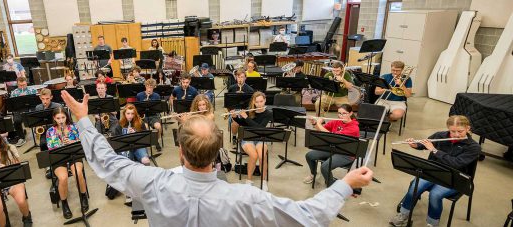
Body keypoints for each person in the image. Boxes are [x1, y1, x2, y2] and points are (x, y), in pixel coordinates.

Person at [59, 90, 374, 227]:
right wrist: (345, 183)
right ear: (217, 153)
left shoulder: (152, 182)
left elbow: (107, 163)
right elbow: (308, 216)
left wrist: (84, 120)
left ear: (180, 152)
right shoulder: (246, 197)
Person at [389, 115, 480, 227]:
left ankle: (432, 224)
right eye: (452, 131)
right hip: (433, 172)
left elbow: (456, 163)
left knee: (435, 194)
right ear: (448, 129)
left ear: (468, 128)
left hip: (456, 178)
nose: (456, 135)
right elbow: (423, 145)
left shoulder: (474, 147)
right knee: (415, 186)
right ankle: (403, 215)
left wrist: (434, 150)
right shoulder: (440, 135)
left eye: (460, 131)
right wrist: (415, 145)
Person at [45, 108, 89, 219]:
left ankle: (83, 196)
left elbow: (82, 141)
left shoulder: (74, 127)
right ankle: (64, 203)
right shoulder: (50, 131)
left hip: (74, 154)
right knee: (63, 178)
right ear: (54, 118)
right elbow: (50, 148)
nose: (61, 121)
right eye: (58, 118)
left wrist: (72, 142)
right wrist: (61, 144)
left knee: (78, 172)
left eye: (63, 118)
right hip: (59, 158)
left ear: (66, 117)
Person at [303, 104, 360, 187]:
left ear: (351, 113)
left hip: (346, 153)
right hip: (333, 148)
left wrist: (319, 123)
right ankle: (313, 174)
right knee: (309, 155)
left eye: (344, 113)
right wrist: (315, 123)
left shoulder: (354, 128)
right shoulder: (336, 122)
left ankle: (331, 185)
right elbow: (322, 130)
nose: (341, 116)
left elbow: (332, 137)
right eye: (339, 113)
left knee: (325, 167)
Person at [229, 92, 273, 190]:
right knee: (253, 155)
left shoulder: (268, 113)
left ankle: (263, 180)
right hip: (247, 137)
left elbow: (260, 128)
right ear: (254, 102)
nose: (259, 104)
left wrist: (246, 117)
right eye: (257, 102)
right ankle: (249, 180)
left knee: (262, 155)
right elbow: (243, 123)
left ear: (265, 100)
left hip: (261, 137)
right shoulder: (250, 111)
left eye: (261, 101)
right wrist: (235, 117)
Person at [9, 76, 37, 146]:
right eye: (20, 85)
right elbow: (12, 106)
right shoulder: (14, 93)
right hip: (19, 109)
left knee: (37, 115)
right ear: (17, 84)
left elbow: (36, 101)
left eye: (24, 85)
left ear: (26, 83)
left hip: (31, 107)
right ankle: (21, 137)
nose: (22, 86)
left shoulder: (32, 90)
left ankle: (38, 132)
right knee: (16, 121)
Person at [136, 79, 163, 152]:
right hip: (143, 116)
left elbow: (158, 109)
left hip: (153, 115)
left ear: (154, 87)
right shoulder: (139, 95)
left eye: (151, 87)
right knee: (146, 127)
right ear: (145, 86)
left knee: (158, 127)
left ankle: (156, 141)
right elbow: (137, 109)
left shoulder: (156, 96)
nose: (149, 89)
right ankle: (147, 142)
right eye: (147, 86)